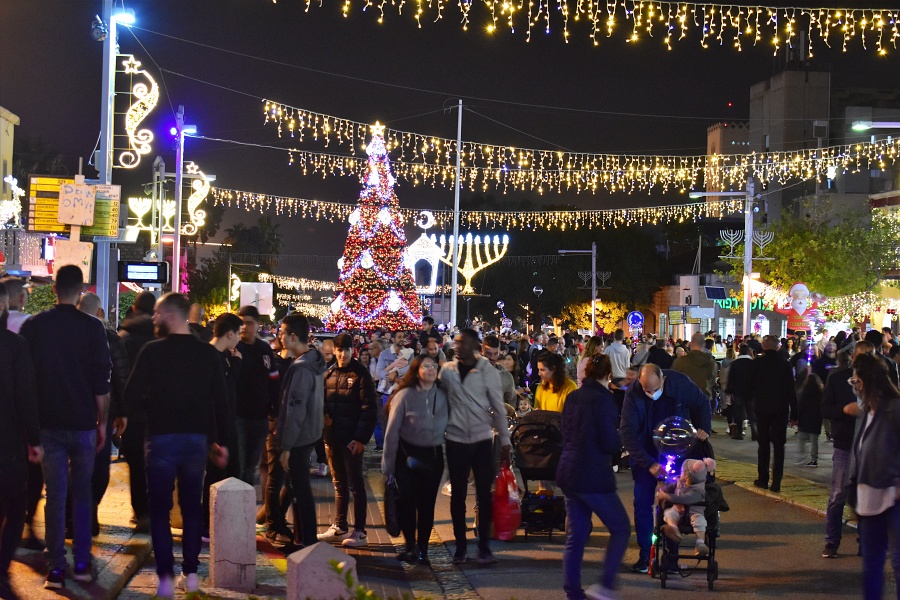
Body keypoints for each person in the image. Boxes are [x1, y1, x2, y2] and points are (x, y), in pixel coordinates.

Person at [123, 293, 230, 598]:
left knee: (160, 509)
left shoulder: (152, 351)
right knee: (191, 507)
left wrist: (149, 409)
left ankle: (166, 578)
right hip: (196, 441)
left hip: (161, 438)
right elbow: (220, 401)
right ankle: (192, 573)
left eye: (157, 314)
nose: (153, 319)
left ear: (171, 315)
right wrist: (221, 441)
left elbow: (131, 396)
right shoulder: (207, 354)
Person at [19, 265, 111, 589]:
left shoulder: (35, 326)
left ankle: (55, 568)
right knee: (82, 495)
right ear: (82, 291)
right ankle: (83, 565)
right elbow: (101, 379)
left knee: (55, 496)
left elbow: (26, 377)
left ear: (55, 289)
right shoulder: (93, 327)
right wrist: (102, 421)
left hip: (48, 424)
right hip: (84, 422)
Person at [620, 363, 711, 573]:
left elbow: (702, 403)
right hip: (646, 454)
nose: (651, 394)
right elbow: (628, 433)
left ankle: (671, 557)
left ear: (663, 380)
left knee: (672, 502)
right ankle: (645, 556)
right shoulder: (634, 394)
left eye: (654, 389)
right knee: (642, 504)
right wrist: (649, 464)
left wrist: (703, 428)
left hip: (676, 451)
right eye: (646, 390)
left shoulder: (680, 384)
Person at [557, 354, 630, 600]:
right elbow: (608, 441)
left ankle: (573, 590)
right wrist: (620, 443)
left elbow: (564, 431)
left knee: (576, 536)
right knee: (620, 528)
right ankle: (606, 585)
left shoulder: (573, 397)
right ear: (609, 375)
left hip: (569, 470)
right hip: (593, 474)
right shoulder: (605, 401)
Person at [438, 328, 511, 565]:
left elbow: (498, 407)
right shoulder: (447, 371)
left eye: (463, 343)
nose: (458, 347)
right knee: (457, 494)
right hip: (456, 439)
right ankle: (460, 547)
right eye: (457, 343)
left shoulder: (487, 372)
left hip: (481, 439)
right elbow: (439, 401)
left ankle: (483, 546)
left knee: (484, 493)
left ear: (475, 347)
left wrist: (505, 441)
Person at [382, 354, 449, 565]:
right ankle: (410, 545)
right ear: (416, 370)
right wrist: (388, 465)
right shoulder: (405, 396)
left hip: (433, 455)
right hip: (407, 454)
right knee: (407, 502)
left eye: (433, 366)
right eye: (425, 366)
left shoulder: (443, 395)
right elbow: (392, 432)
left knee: (427, 505)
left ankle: (423, 550)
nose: (430, 369)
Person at [0, 281, 43, 600]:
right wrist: (34, 438)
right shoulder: (14, 346)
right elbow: (25, 396)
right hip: (8, 440)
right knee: (15, 506)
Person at [75, 292, 130, 537]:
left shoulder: (64, 335)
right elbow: (120, 377)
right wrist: (123, 413)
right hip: (101, 414)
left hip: (68, 412)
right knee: (97, 467)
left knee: (71, 467)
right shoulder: (108, 337)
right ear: (99, 313)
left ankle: (71, 518)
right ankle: (89, 515)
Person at [847, 353, 900, 599]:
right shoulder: (868, 411)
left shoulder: (893, 410)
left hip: (893, 499)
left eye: (856, 381)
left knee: (898, 564)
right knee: (871, 567)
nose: (854, 386)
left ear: (867, 382)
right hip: (868, 501)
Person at [318, 333, 377, 548]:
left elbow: (369, 409)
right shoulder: (329, 373)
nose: (343, 354)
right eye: (339, 350)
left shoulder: (361, 375)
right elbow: (322, 401)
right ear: (334, 351)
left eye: (347, 350)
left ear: (354, 350)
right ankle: (340, 525)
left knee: (355, 483)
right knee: (338, 483)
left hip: (352, 440)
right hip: (332, 437)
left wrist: (361, 439)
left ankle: (359, 530)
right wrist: (324, 418)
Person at [275, 314, 325, 550]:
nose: (280, 337)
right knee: (298, 487)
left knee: (301, 489)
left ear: (293, 336)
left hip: (299, 438)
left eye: (283, 333)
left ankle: (307, 541)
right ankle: (302, 537)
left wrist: (285, 446)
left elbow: (294, 410)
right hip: (310, 434)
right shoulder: (314, 361)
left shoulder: (301, 369)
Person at [822, 342, 869, 558]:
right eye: (862, 357)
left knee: (867, 495)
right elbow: (825, 408)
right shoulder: (838, 379)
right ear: (852, 357)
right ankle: (832, 542)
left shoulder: (880, 382)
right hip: (845, 443)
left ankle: (866, 541)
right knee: (838, 494)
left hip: (870, 446)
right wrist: (844, 409)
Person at [117, 290, 157, 533]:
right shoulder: (161, 338)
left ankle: (141, 511)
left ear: (133, 308)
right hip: (158, 410)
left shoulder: (124, 337)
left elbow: (118, 377)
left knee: (135, 461)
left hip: (131, 411)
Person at [204, 313, 243, 537]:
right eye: (238, 334)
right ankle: (209, 526)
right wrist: (213, 439)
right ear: (230, 333)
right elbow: (212, 398)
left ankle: (221, 524)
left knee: (229, 475)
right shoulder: (209, 357)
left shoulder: (225, 357)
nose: (238, 338)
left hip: (226, 425)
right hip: (216, 430)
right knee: (215, 479)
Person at [235, 306, 280, 487]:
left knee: (251, 465)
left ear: (257, 324)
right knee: (238, 463)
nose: (244, 327)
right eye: (241, 324)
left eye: (249, 323)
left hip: (260, 416)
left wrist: (274, 412)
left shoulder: (264, 349)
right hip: (238, 416)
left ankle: (246, 502)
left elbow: (274, 381)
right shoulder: (233, 347)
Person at [751, 335, 798, 494]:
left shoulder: (757, 364)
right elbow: (792, 390)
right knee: (779, 446)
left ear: (763, 347)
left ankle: (762, 479)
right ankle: (776, 481)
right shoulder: (785, 365)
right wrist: (795, 413)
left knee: (763, 445)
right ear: (779, 347)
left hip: (762, 409)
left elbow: (751, 387)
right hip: (781, 409)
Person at [657, 458, 716, 560]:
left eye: (683, 472)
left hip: (695, 513)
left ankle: (700, 544)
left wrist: (668, 497)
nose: (681, 474)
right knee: (669, 513)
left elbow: (686, 499)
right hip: (678, 511)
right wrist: (663, 489)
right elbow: (671, 487)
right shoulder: (680, 481)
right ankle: (673, 529)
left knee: (700, 521)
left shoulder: (698, 490)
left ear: (688, 476)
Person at [374, 331, 411, 452]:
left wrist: (398, 374)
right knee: (388, 421)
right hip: (387, 393)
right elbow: (380, 372)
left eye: (403, 337)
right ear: (393, 339)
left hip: (402, 393)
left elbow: (411, 370)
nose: (402, 339)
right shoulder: (385, 354)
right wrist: (395, 378)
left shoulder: (409, 354)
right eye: (399, 337)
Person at [672, 332, 719, 416]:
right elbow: (712, 382)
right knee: (703, 427)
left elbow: (674, 381)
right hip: (704, 400)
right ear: (703, 344)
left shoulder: (680, 362)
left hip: (685, 402)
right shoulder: (711, 363)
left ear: (691, 344)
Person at [724, 344, 755, 440]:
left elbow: (731, 378)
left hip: (738, 391)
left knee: (739, 412)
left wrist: (729, 390)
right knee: (752, 412)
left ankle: (739, 432)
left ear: (740, 352)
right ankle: (755, 432)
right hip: (751, 391)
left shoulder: (735, 363)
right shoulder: (753, 363)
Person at [794, 372, 824, 468]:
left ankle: (801, 457)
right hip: (816, 420)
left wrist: (797, 418)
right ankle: (813, 460)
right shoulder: (820, 394)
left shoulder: (804, 393)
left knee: (801, 439)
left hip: (805, 420)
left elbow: (800, 407)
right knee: (814, 441)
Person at [483, 334, 517, 407]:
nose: (492, 358)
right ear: (482, 351)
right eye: (488, 354)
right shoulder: (472, 372)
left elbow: (511, 402)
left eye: (495, 354)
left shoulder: (506, 376)